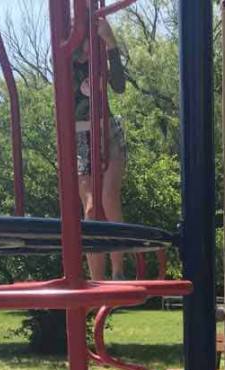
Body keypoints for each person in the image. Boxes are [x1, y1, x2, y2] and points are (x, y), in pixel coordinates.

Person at [75, 17, 127, 280]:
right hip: (80, 135)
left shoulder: (101, 52)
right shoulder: (66, 54)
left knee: (108, 196)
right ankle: (97, 281)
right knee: (92, 208)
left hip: (106, 129)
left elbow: (119, 86)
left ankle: (118, 270)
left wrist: (110, 43)